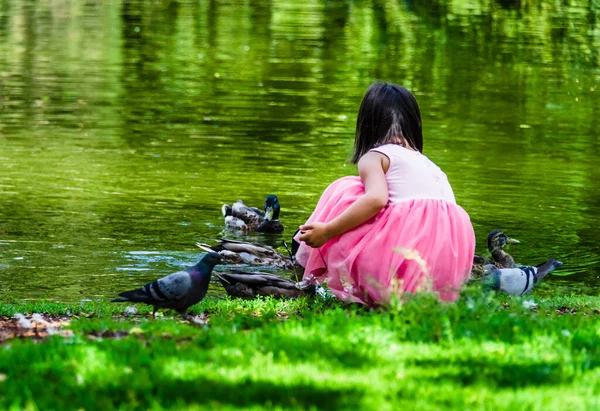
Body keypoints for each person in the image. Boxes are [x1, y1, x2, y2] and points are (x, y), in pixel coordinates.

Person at [295, 82, 475, 305]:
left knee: (347, 188)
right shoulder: (430, 165)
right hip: (449, 253)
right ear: (414, 124)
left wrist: (329, 230)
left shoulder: (375, 156)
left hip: (409, 243)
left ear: (366, 124)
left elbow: (376, 199)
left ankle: (352, 284)